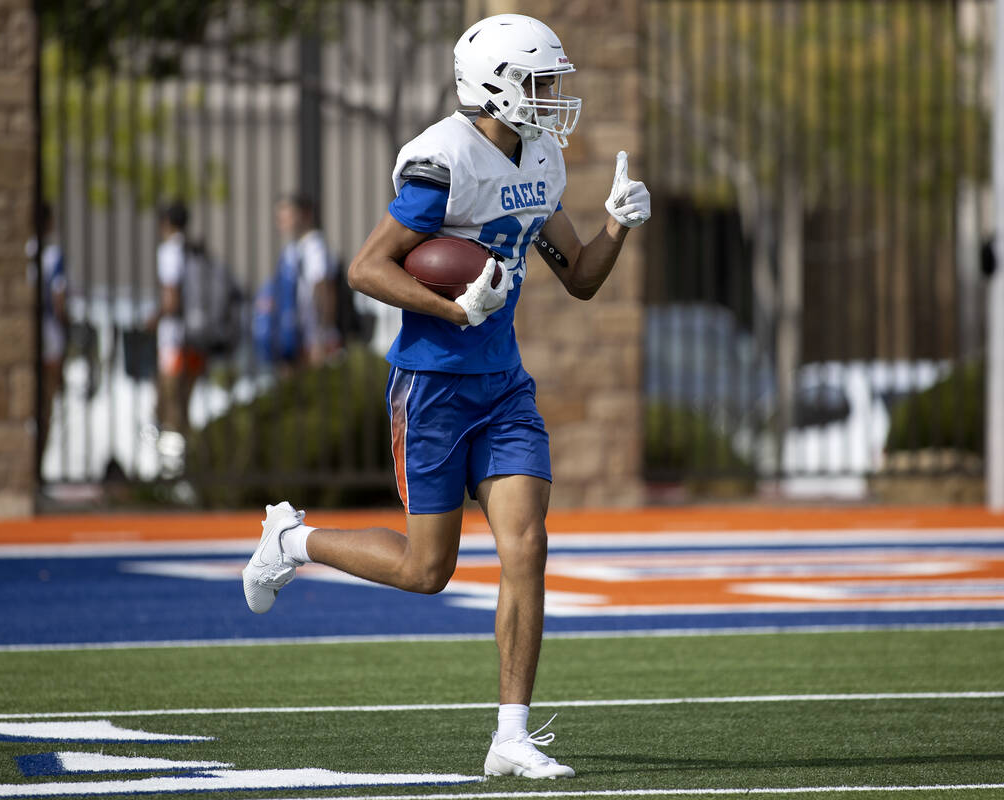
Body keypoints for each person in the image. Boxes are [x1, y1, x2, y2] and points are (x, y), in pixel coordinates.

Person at [242, 13, 650, 779]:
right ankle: (291, 541)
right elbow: (368, 268)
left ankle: (511, 737)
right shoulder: (441, 160)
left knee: (526, 543)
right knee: (427, 571)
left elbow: (582, 278)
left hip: (503, 389)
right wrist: (455, 308)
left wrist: (617, 225)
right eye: (538, 82)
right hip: (431, 389)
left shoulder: (540, 161)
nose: (552, 97)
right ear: (495, 86)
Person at [257, 193, 338, 367]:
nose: (282, 221)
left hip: (312, 340)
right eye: (280, 217)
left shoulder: (315, 247)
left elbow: (323, 289)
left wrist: (321, 336)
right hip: (292, 337)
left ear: (305, 214)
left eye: (288, 215)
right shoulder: (291, 250)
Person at [149, 199, 205, 440]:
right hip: (198, 336)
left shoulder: (169, 251)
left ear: (166, 223)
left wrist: (153, 318)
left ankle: (175, 467)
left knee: (170, 407)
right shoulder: (196, 250)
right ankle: (189, 461)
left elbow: (171, 300)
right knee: (185, 405)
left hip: (173, 340)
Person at [26, 202, 68, 457]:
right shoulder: (54, 256)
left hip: (24, 339)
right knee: (45, 408)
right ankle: (37, 464)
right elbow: (58, 300)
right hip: (50, 340)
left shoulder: (22, 251)